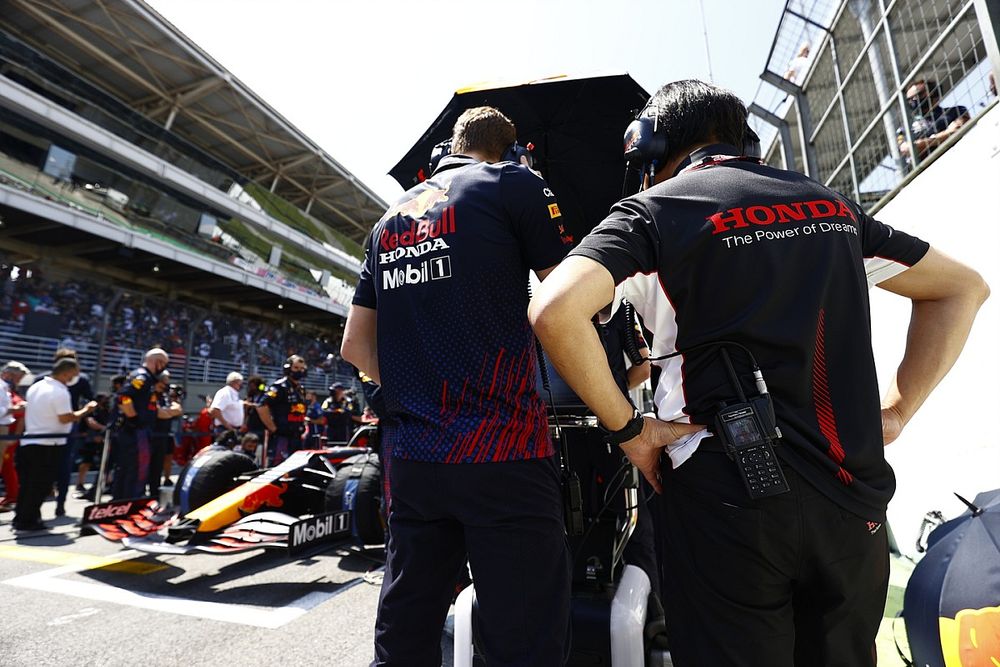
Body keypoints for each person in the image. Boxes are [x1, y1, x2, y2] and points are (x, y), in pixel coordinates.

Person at [529, 79, 989, 666]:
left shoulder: (654, 211)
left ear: (653, 146)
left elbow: (552, 307)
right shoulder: (832, 207)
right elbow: (962, 288)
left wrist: (630, 434)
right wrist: (897, 410)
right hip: (850, 496)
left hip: (722, 498)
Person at [341, 106, 573, 667]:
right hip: (503, 449)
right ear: (507, 149)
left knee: (406, 634)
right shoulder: (513, 182)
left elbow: (354, 346)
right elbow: (569, 297)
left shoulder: (389, 218)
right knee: (522, 641)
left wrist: (420, 393)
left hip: (415, 457)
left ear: (453, 143)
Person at [13, 357, 96, 531]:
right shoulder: (60, 391)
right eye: (73, 374)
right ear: (66, 372)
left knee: (28, 484)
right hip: (48, 444)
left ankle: (23, 517)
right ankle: (28, 520)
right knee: (41, 484)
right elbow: (65, 417)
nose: (74, 378)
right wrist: (86, 411)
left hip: (31, 440)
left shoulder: (37, 386)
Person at [113, 348, 168, 499]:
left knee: (129, 468)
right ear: (156, 361)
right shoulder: (142, 377)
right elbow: (123, 397)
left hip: (140, 430)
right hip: (136, 431)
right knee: (137, 468)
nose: (164, 368)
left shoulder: (149, 379)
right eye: (163, 363)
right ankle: (129, 501)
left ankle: (121, 501)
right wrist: (132, 419)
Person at [899, 78, 970, 161]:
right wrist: (943, 135)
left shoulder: (956, 111)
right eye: (909, 99)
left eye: (918, 95)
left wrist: (921, 143)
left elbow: (956, 131)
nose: (913, 100)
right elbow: (906, 149)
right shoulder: (906, 128)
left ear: (933, 93)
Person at [255, 356, 307, 465]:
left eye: (302, 368)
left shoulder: (301, 389)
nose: (299, 371)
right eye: (296, 368)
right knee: (279, 468)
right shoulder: (279, 387)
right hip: (282, 437)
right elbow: (261, 406)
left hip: (297, 436)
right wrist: (273, 428)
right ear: (288, 369)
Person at [148, 374, 182, 498]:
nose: (165, 385)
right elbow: (159, 414)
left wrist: (167, 412)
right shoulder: (150, 394)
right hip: (150, 436)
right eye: (163, 382)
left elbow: (178, 409)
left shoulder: (165, 396)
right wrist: (169, 413)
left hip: (163, 436)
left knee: (157, 467)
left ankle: (154, 493)